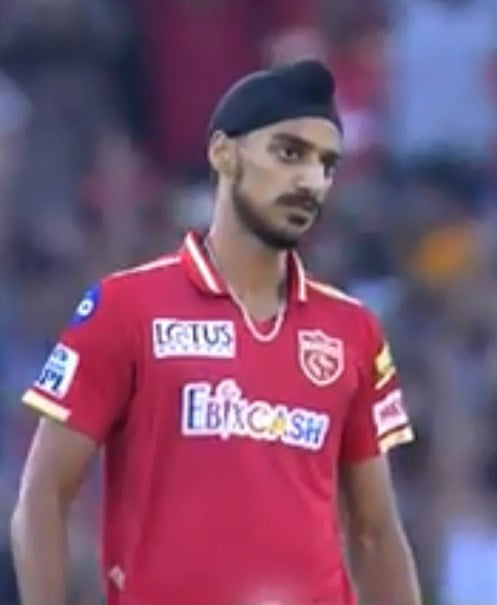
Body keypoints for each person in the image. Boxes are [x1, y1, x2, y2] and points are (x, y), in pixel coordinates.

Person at [11, 59, 422, 605]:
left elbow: (375, 533)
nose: (311, 181)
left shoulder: (353, 330)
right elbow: (43, 495)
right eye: (289, 153)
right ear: (223, 153)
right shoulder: (126, 308)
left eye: (326, 164)